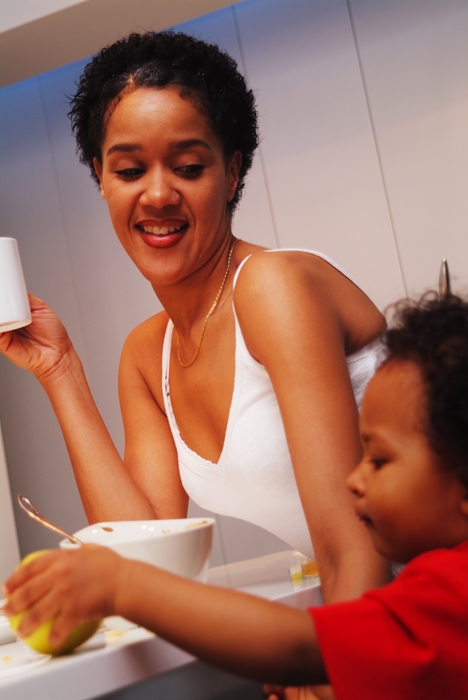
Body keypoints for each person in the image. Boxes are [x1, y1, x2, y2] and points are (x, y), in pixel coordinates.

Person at [0, 32, 387, 608]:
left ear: (231, 174)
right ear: (100, 178)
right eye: (129, 170)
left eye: (187, 166)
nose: (158, 194)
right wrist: (59, 370)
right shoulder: (146, 352)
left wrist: (334, 668)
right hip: (377, 613)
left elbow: (355, 544)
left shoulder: (273, 288)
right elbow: (145, 557)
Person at [4, 292, 468, 700]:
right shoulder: (433, 584)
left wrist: (120, 584)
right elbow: (140, 536)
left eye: (379, 461)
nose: (353, 478)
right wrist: (60, 369)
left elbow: (301, 647)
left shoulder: (449, 591)